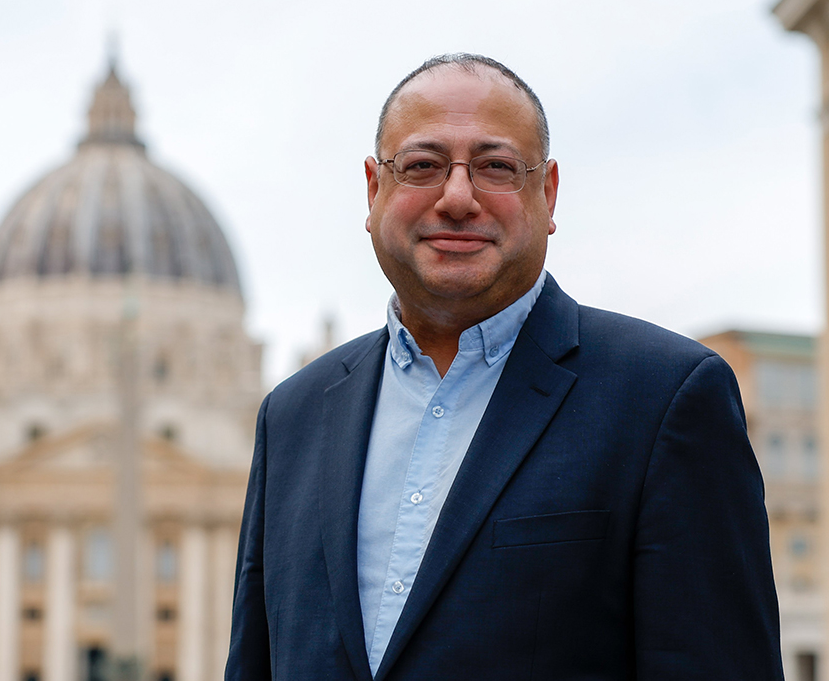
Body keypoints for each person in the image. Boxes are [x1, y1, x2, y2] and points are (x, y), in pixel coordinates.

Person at [226, 53, 783, 680]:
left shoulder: (667, 398)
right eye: (422, 166)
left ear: (546, 194)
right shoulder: (293, 414)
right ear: (373, 190)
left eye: (494, 167)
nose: (457, 197)